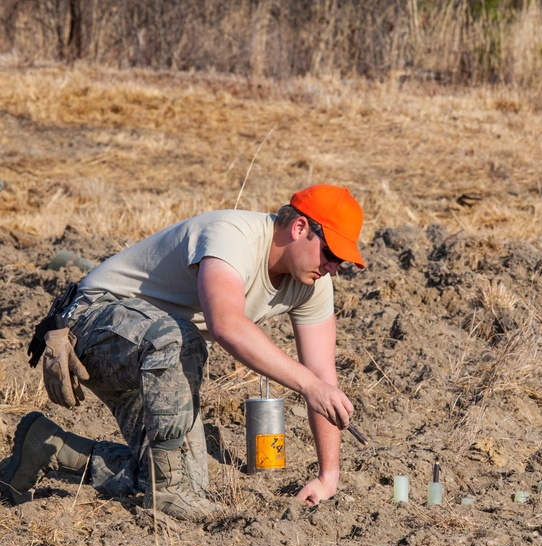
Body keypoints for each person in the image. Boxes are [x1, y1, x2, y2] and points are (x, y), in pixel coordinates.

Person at [1, 184, 364, 520]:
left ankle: (49, 448)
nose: (333, 267)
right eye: (330, 253)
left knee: (176, 480)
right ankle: (170, 491)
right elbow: (226, 325)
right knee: (179, 338)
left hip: (158, 360)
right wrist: (307, 386)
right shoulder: (232, 235)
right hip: (90, 323)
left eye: (342, 262)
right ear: (300, 228)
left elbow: (323, 381)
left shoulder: (315, 285)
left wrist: (327, 476)